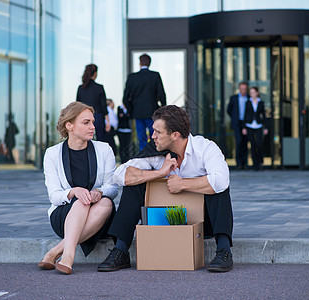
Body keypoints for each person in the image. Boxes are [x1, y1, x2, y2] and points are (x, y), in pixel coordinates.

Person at [97, 105, 234, 273]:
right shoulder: (155, 151)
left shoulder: (205, 148)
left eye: (157, 132)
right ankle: (121, 249)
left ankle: (224, 250)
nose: (152, 136)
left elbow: (221, 181)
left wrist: (182, 184)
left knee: (217, 188)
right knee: (135, 183)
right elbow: (119, 176)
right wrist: (159, 173)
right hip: (165, 219)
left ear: (175, 135)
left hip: (203, 222)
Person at [39, 102, 119, 275]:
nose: (92, 126)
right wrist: (74, 191)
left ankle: (58, 252)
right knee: (81, 201)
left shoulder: (104, 149)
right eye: (86, 122)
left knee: (106, 203)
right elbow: (54, 196)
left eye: (92, 121)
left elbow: (112, 187)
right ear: (69, 126)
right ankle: (67, 255)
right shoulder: (52, 154)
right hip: (64, 214)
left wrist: (99, 192)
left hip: (98, 215)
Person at [123, 53, 166, 151]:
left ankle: (144, 158)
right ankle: (155, 155)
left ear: (140, 63)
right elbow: (161, 94)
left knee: (141, 138)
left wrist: (131, 111)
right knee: (154, 136)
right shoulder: (155, 76)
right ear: (149, 63)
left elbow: (125, 98)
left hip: (137, 113)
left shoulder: (132, 77)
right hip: (152, 112)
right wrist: (162, 108)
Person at [76, 64, 111, 142]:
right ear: (95, 73)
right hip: (98, 117)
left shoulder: (81, 88)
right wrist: (108, 122)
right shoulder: (99, 87)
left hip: (84, 118)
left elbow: (77, 107)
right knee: (100, 140)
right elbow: (103, 106)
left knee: (85, 140)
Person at [242, 87, 268, 171]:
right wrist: (244, 127)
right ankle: (255, 164)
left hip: (258, 125)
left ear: (257, 93)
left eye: (253, 92)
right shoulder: (248, 102)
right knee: (252, 145)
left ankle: (260, 161)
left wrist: (266, 127)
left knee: (259, 144)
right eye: (251, 93)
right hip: (249, 125)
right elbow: (245, 114)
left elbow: (264, 115)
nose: (252, 94)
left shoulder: (261, 102)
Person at [227, 82, 249, 169]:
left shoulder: (249, 98)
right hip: (237, 123)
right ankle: (238, 163)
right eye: (241, 89)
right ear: (239, 89)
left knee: (245, 143)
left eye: (244, 89)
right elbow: (229, 110)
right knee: (238, 142)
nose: (243, 90)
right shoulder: (234, 98)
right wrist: (234, 118)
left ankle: (245, 163)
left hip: (247, 123)